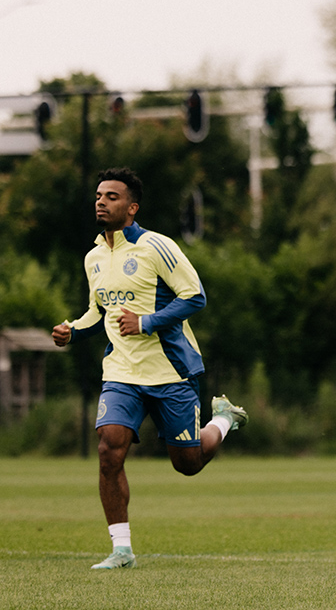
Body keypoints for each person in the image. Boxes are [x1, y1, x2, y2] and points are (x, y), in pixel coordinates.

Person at [50, 167, 247, 570]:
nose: (101, 202)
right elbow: (99, 312)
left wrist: (146, 322)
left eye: (112, 197)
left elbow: (195, 297)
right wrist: (73, 330)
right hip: (121, 372)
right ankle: (121, 550)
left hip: (171, 371)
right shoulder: (93, 257)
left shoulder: (156, 246)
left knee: (187, 463)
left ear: (132, 207)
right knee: (109, 449)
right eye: (99, 196)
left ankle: (224, 419)